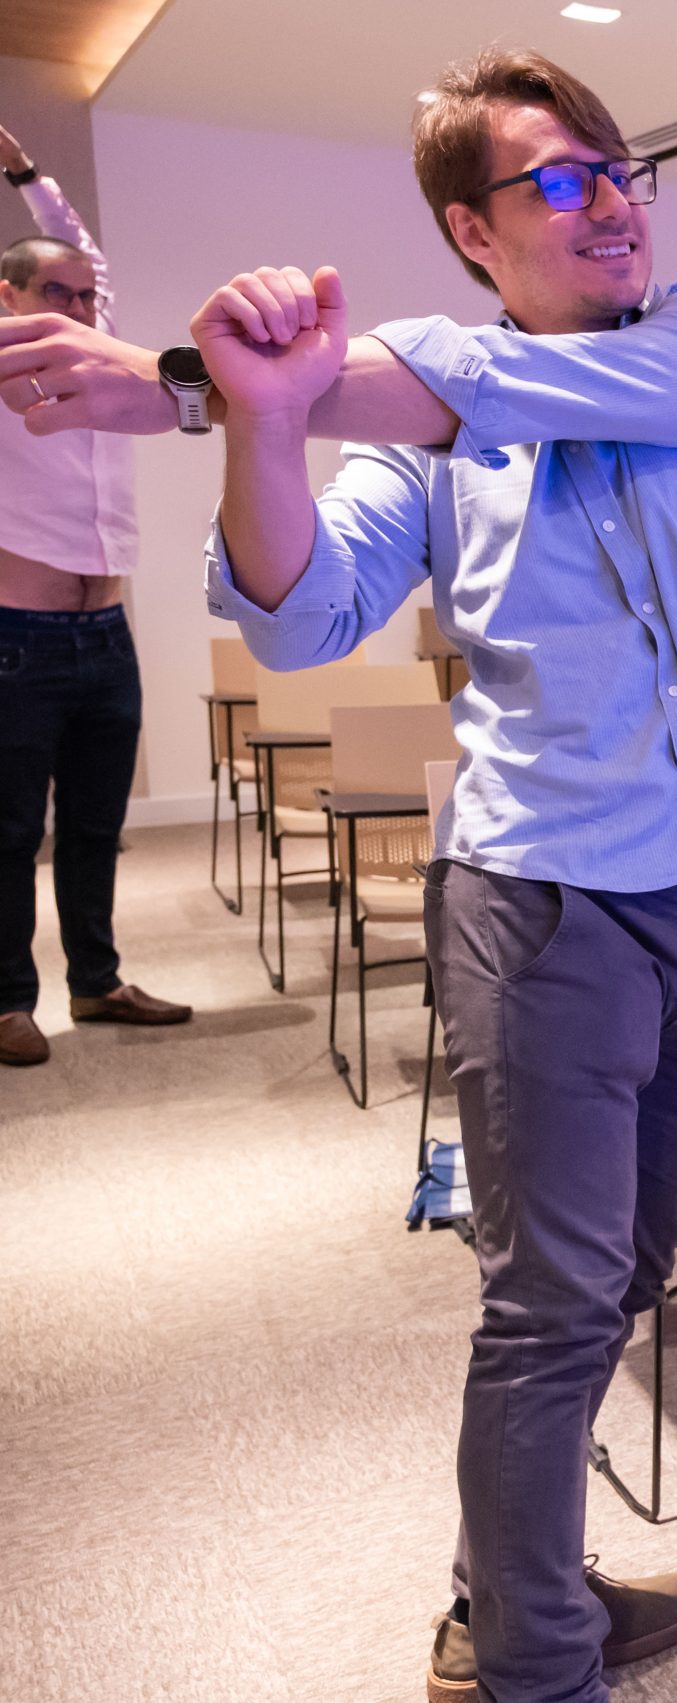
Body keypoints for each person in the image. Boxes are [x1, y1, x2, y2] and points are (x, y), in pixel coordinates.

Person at [1, 49, 677, 1700]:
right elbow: (301, 613)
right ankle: (530, 1658)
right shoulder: (417, 434)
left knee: (622, 1275)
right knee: (554, 1301)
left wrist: (186, 384)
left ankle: (502, 1591)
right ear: (470, 229)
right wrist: (257, 420)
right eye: (559, 179)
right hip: (546, 910)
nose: (610, 201)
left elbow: (491, 385)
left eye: (619, 168)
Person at [0, 118, 191, 1068]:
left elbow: (88, 257)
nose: (78, 304)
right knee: (8, 831)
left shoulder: (103, 351)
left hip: (106, 634)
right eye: (56, 292)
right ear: (9, 295)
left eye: (85, 293)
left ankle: (96, 980)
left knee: (94, 825)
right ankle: (7, 1000)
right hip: (17, 637)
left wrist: (30, 173)